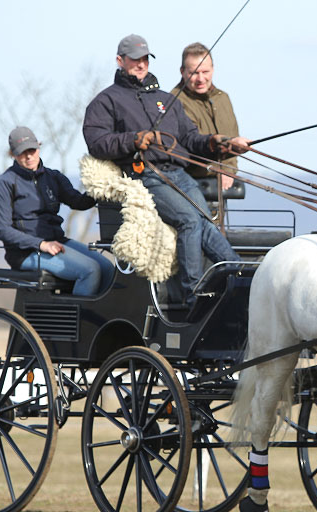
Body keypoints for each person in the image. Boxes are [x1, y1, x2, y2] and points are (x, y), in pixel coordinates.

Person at [82, 34, 249, 310]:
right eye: (135, 59)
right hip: (146, 174)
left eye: (145, 59)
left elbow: (191, 137)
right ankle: (192, 294)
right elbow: (97, 143)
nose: (141, 64)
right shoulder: (106, 101)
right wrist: (134, 139)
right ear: (120, 61)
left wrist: (219, 143)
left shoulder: (165, 100)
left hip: (179, 173)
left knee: (206, 222)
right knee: (190, 221)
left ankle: (240, 276)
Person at [0, 126, 115, 296]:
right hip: (25, 252)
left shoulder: (53, 177)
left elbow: (79, 202)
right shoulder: (4, 184)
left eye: (32, 150)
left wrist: (102, 187)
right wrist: (41, 244)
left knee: (107, 268)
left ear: (38, 147)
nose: (28, 156)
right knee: (90, 270)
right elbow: (3, 230)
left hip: (57, 242)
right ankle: (75, 321)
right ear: (12, 154)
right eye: (21, 152)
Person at [172, 42, 239, 192]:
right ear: (182, 71)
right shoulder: (174, 102)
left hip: (223, 189)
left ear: (213, 70)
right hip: (190, 187)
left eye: (205, 72)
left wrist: (228, 170)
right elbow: (188, 146)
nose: (201, 79)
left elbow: (233, 140)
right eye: (194, 73)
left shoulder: (223, 99)